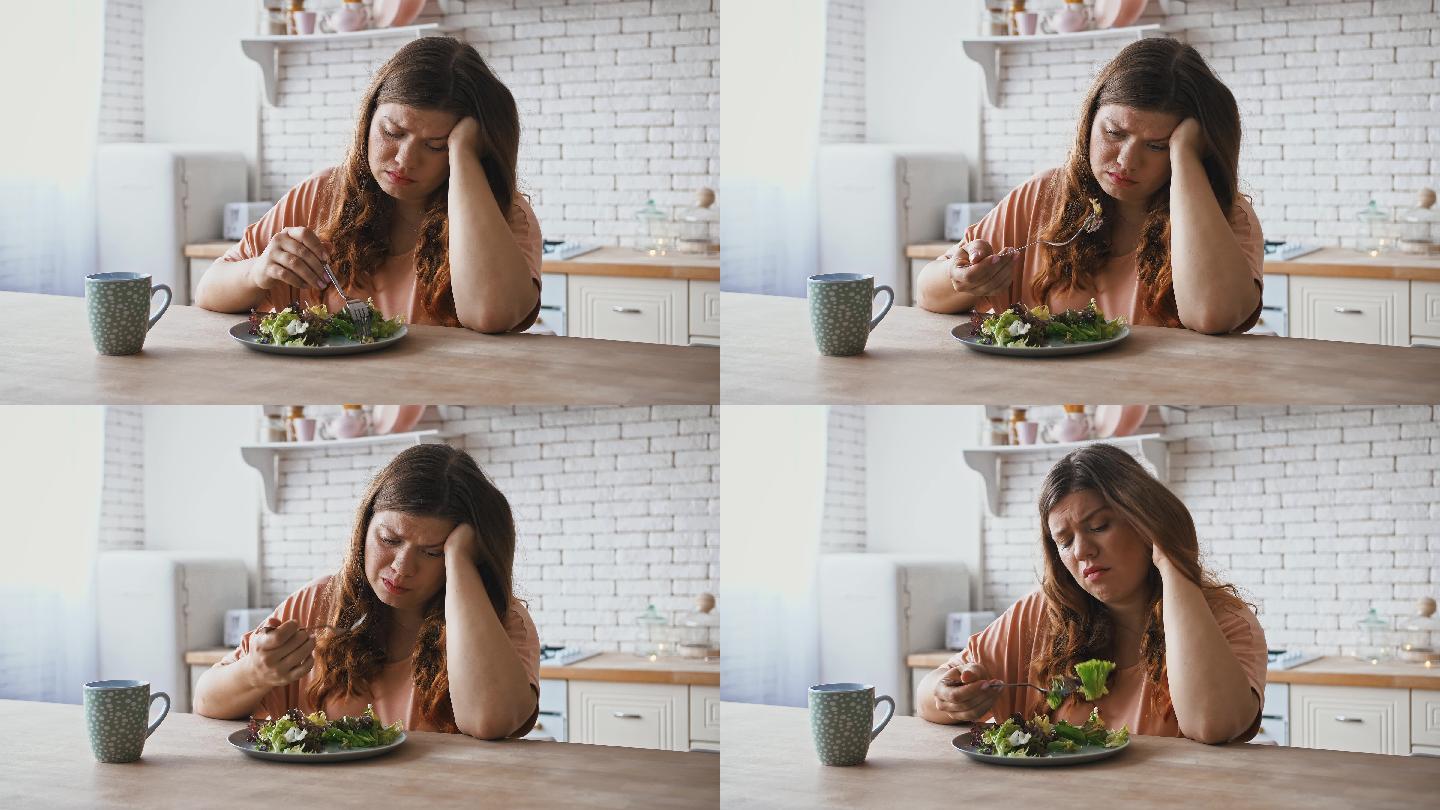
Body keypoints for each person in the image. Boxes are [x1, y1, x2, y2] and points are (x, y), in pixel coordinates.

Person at [916, 443, 1267, 744]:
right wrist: (949, 696)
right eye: (1065, 541)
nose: (1082, 551)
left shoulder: (1223, 618)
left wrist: (1172, 560)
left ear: (1144, 520)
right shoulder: (1040, 615)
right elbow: (927, 693)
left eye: (1099, 526)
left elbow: (1212, 724)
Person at [195, 37, 542, 333]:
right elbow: (208, 290)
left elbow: (490, 315)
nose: (405, 159)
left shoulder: (502, 212)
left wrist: (464, 152)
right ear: (368, 118)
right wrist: (259, 271)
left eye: (436, 145)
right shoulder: (322, 192)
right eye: (392, 132)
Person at [916, 38, 1263, 334]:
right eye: (1114, 133)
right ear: (1089, 121)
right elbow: (927, 292)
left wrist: (1185, 154)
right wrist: (960, 276)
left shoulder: (1224, 214)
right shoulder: (1044, 194)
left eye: (1158, 145)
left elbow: (1212, 315)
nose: (1127, 161)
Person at [193, 444, 540, 739]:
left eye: (433, 551)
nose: (402, 567)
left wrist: (461, 559)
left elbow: (489, 721)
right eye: (389, 540)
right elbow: (206, 699)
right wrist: (255, 670)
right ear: (364, 528)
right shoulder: (319, 601)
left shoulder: (499, 616)